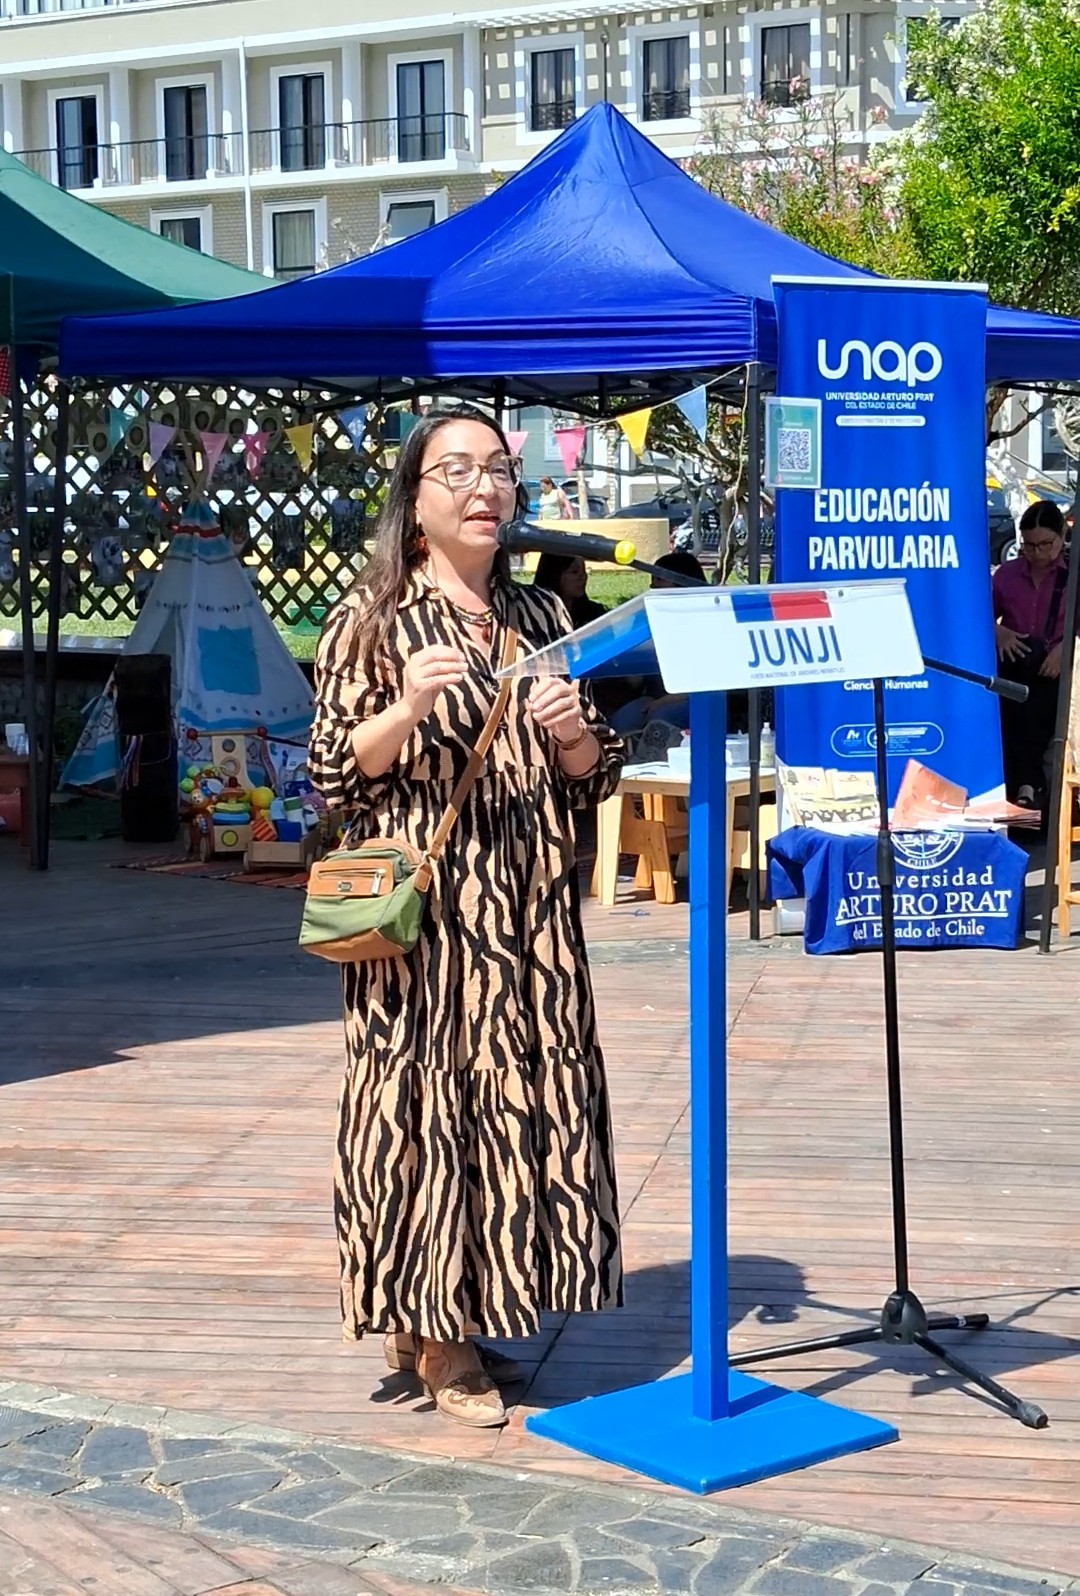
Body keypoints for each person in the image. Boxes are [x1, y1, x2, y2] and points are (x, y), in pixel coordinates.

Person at [309, 408, 625, 1431]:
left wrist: (575, 732)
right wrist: (401, 709)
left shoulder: (539, 619)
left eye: (499, 470)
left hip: (529, 925)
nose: (486, 488)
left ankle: (458, 1305)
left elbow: (595, 773)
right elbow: (324, 773)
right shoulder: (372, 623)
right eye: (460, 471)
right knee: (427, 1120)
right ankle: (441, 1341)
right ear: (416, 503)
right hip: (428, 931)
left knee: (515, 1114)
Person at [992, 500, 1070, 807]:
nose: (1037, 553)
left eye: (1045, 545)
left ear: (1061, 535)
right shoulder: (1007, 575)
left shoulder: (1073, 573)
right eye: (1029, 546)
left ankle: (1028, 785)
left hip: (1058, 667)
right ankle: (1026, 786)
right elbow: (977, 616)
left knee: (1038, 708)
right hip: (1015, 664)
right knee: (1015, 709)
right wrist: (998, 631)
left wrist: (1068, 646)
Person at [609, 550, 706, 739]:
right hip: (655, 697)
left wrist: (662, 703)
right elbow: (636, 681)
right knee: (620, 723)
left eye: (659, 580)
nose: (652, 585)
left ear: (681, 581)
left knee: (661, 718)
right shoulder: (651, 618)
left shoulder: (702, 618)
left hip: (695, 698)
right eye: (652, 579)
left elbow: (703, 681)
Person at [533, 550, 607, 629]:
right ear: (555, 575)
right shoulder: (535, 614)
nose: (583, 577)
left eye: (584, 570)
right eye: (574, 572)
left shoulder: (595, 613)